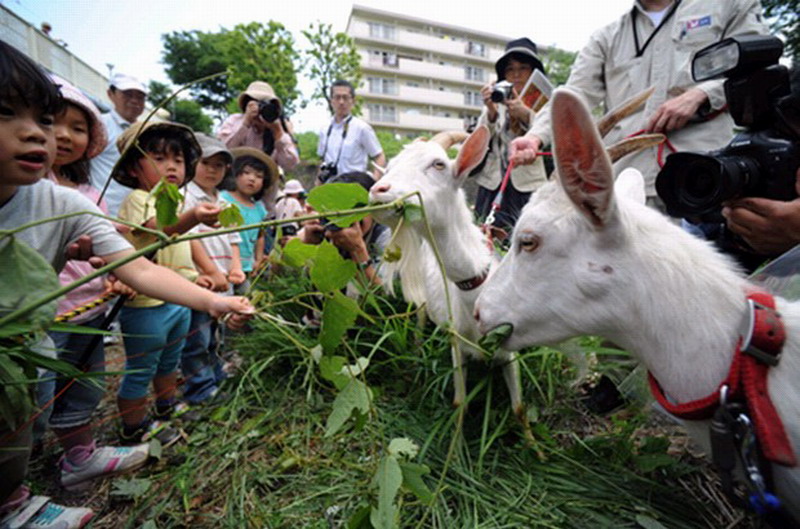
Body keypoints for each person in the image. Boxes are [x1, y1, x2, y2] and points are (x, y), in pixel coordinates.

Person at [0, 40, 252, 528]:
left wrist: (214, 300)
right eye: (7, 113)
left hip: (28, 343)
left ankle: (25, 492)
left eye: (45, 121)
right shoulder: (124, 203)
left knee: (33, 408)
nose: (34, 133)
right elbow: (149, 243)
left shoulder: (66, 205)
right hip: (51, 328)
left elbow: (139, 264)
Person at [509, 0, 768, 211]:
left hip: (703, 177)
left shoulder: (730, 5)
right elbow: (575, 93)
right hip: (628, 186)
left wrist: (702, 93)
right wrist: (534, 137)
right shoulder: (606, 36)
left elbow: (759, 67)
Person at [36, 75, 150, 493]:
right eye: (52, 122)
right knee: (33, 397)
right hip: (46, 316)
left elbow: (111, 251)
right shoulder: (27, 191)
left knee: (84, 386)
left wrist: (112, 276)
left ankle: (78, 457)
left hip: (92, 309)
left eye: (78, 127)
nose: (64, 136)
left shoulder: (88, 193)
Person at [112, 120, 239, 445]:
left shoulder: (178, 203)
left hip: (178, 299)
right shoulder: (139, 200)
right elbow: (160, 230)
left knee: (170, 358)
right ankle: (134, 427)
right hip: (146, 302)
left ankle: (167, 406)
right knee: (142, 367)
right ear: (133, 168)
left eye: (178, 160)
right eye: (158, 157)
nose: (171, 166)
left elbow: (189, 240)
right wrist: (193, 216)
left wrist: (208, 271)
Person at [181, 133, 245, 405]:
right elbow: (190, 237)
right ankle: (199, 387)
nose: (211, 170)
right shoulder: (186, 197)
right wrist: (211, 271)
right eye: (206, 163)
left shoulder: (225, 200)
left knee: (217, 334)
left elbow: (234, 238)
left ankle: (216, 375)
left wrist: (236, 267)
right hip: (201, 281)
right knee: (197, 336)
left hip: (223, 276)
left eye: (218, 166)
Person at [473, 38, 549, 232]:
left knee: (530, 238)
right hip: (493, 183)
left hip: (527, 184)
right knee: (487, 235)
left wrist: (526, 114)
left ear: (533, 72)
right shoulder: (497, 98)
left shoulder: (544, 102)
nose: (516, 74)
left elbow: (552, 136)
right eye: (510, 69)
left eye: (523, 68)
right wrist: (490, 112)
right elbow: (479, 138)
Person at [299, 172, 390, 287]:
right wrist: (310, 247)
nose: (349, 220)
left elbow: (386, 296)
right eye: (339, 213)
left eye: (355, 212)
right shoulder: (325, 229)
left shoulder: (386, 237)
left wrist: (358, 251)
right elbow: (307, 290)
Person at [88, 73, 147, 216]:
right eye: (128, 94)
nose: (134, 100)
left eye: (140, 96)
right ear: (111, 94)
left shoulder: (146, 131)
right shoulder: (98, 125)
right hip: (104, 211)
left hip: (138, 214)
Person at [220, 148, 279, 288]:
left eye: (258, 176)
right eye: (246, 173)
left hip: (246, 265)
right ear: (235, 175)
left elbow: (260, 236)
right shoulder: (222, 199)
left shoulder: (259, 208)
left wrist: (258, 259)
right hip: (223, 263)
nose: (252, 179)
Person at [217, 81, 298, 172]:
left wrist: (278, 133)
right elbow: (222, 151)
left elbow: (290, 164)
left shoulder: (278, 129)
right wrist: (245, 124)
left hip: (265, 183)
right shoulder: (234, 121)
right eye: (256, 104)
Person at [317, 80, 385, 182]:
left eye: (345, 97)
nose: (341, 102)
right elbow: (322, 160)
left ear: (352, 101)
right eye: (337, 97)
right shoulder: (325, 129)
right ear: (331, 101)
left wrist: (374, 181)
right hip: (330, 187)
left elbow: (379, 155)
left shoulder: (362, 128)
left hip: (354, 186)